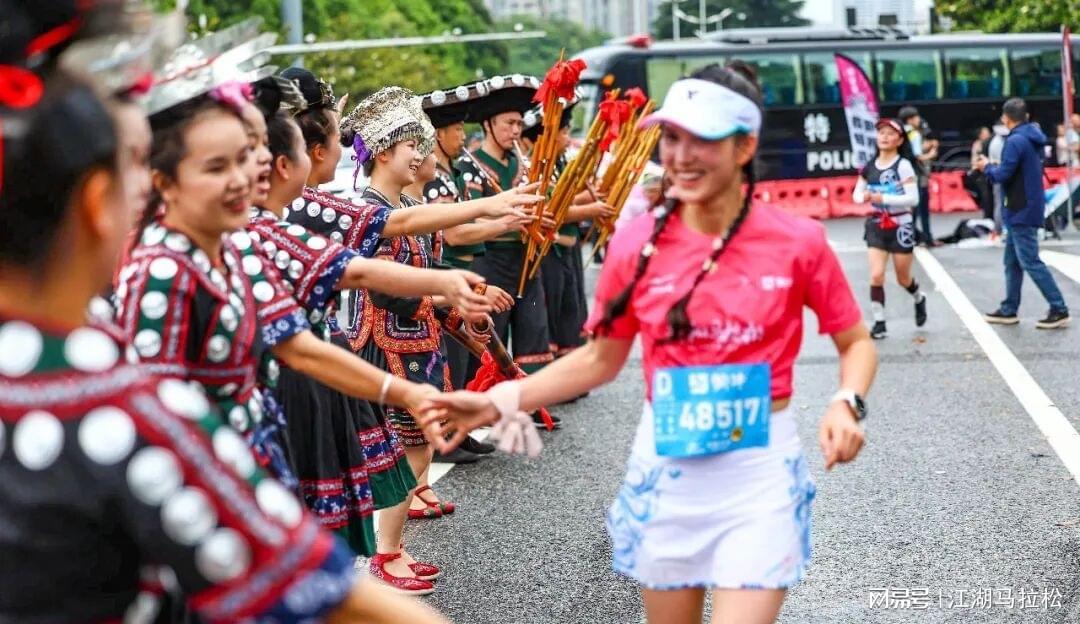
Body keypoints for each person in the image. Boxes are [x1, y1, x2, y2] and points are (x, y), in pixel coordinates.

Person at [0, 2, 448, 622]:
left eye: (250, 153)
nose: (250, 172)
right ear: (101, 201)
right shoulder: (115, 392)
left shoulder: (212, 261)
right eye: (135, 165)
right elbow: (296, 573)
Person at [430, 61, 877, 624]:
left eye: (701, 140)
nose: (681, 156)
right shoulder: (638, 242)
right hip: (668, 475)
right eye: (671, 138)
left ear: (744, 146)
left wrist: (846, 402)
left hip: (759, 475)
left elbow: (855, 342)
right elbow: (600, 358)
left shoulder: (798, 241)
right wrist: (494, 402)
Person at [974, 98, 1070, 329]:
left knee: (1030, 261)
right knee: (1012, 261)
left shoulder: (1015, 140)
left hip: (1020, 206)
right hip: (1027, 203)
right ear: (1026, 116)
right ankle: (1009, 308)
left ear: (1006, 118)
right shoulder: (1032, 136)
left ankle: (1058, 308)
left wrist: (987, 167)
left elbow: (1002, 175)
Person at [854, 118, 927, 339]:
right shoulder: (869, 166)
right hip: (876, 225)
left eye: (890, 133)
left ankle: (918, 297)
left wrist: (883, 197)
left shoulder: (903, 166)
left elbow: (913, 199)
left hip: (900, 225)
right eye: (881, 133)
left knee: (903, 278)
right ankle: (879, 322)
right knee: (876, 275)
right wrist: (864, 196)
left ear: (900, 140)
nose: (884, 137)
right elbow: (856, 193)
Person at [898, 105, 937, 245]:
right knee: (922, 207)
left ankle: (910, 236)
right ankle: (927, 237)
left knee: (910, 209)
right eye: (916, 117)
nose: (919, 120)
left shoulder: (900, 133)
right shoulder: (914, 134)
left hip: (904, 175)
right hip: (917, 175)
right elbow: (917, 156)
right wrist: (931, 154)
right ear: (910, 119)